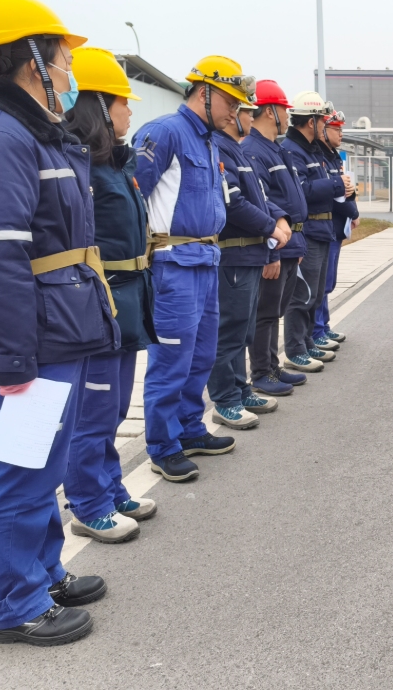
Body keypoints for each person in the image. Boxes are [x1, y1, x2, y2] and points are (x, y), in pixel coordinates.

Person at [0, 0, 119, 645]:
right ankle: (15, 604)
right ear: (33, 62)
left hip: (59, 327)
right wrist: (12, 359)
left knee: (44, 465)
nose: (71, 72)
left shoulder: (32, 134)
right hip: (35, 339)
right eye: (63, 59)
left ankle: (41, 573)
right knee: (23, 472)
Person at [133, 56, 255, 482]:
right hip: (173, 264)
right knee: (171, 360)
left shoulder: (207, 140)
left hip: (205, 260)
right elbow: (134, 196)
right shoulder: (165, 132)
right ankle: (163, 446)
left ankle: (188, 429)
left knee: (201, 356)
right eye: (229, 102)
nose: (234, 112)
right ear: (204, 93)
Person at [62, 47, 158, 544]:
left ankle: (109, 487)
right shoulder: (80, 165)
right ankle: (88, 503)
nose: (130, 113)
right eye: (123, 102)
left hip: (127, 299)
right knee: (93, 411)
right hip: (99, 303)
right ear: (99, 105)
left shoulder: (116, 163)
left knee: (115, 406)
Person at [207, 100, 292, 429]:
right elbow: (234, 202)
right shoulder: (221, 149)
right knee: (228, 332)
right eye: (246, 111)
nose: (250, 118)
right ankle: (225, 399)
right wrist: (271, 226)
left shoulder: (237, 150)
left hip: (250, 254)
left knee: (243, 331)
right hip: (235, 255)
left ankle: (240, 390)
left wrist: (277, 217)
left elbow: (260, 198)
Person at [242, 80, 310, 394]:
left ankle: (272, 366)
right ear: (270, 111)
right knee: (265, 313)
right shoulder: (254, 150)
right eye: (284, 110)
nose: (287, 117)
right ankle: (261, 373)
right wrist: (273, 249)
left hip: (288, 242)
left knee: (275, 312)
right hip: (274, 242)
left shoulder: (275, 149)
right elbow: (261, 201)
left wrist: (296, 244)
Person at [282, 92, 352, 371]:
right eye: (323, 120)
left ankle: (308, 340)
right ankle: (295, 349)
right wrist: (336, 185)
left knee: (315, 294)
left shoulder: (313, 150)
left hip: (323, 228)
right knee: (302, 295)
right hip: (309, 229)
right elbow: (301, 190)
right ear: (311, 121)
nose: (326, 124)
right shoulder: (293, 151)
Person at [313, 108, 359, 351]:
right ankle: (317, 330)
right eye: (336, 129)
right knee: (321, 284)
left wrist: (353, 208)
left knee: (327, 281)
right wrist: (353, 212)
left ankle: (324, 325)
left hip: (335, 227)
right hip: (325, 225)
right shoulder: (319, 156)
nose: (341, 134)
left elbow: (347, 189)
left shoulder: (333, 157)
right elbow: (333, 194)